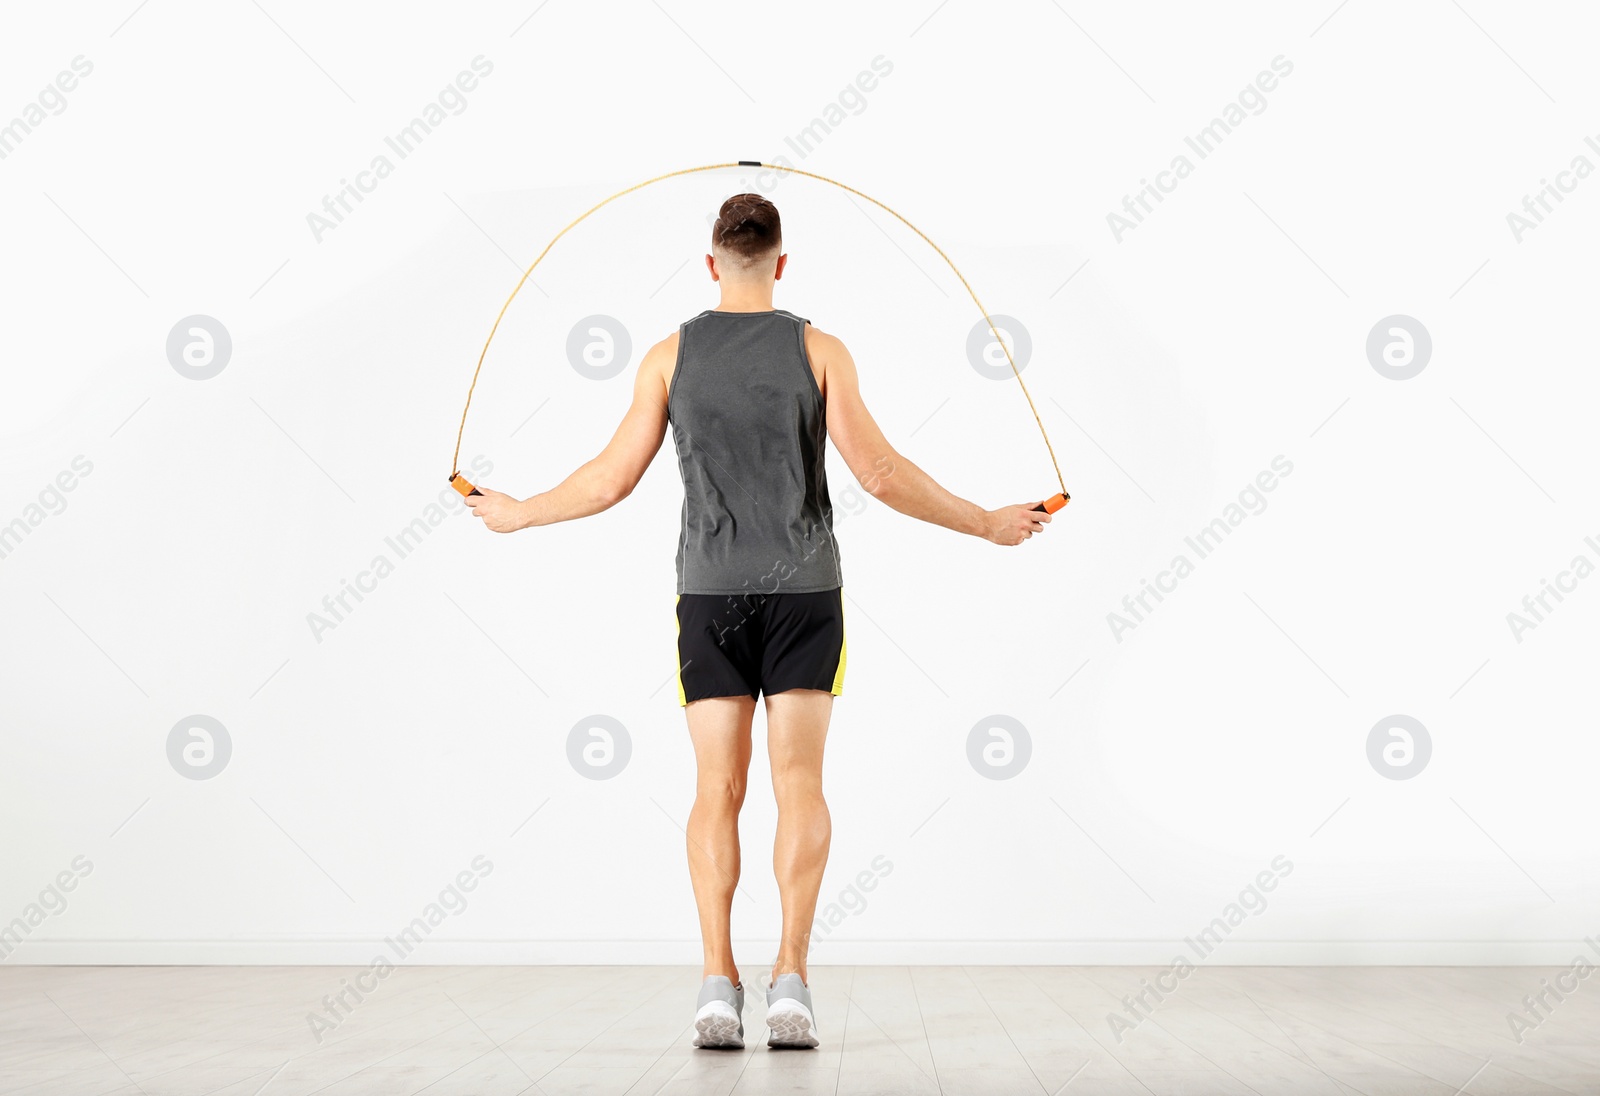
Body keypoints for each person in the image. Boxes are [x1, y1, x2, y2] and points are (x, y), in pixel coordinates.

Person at [465, 192, 1050, 1049]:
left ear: (711, 264)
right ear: (781, 263)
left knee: (717, 790)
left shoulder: (669, 356)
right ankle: (792, 982)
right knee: (798, 786)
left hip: (710, 596)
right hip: (806, 593)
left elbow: (607, 480)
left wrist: (521, 512)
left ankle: (716, 986)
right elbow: (881, 474)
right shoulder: (820, 350)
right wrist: (987, 521)